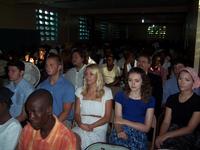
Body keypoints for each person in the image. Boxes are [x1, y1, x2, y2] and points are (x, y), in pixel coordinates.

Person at [109, 67, 155, 150]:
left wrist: (124, 121)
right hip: (120, 129)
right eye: (130, 80)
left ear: (143, 82)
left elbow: (146, 128)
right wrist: (119, 131)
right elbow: (117, 120)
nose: (133, 84)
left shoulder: (150, 100)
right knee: (119, 145)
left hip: (139, 134)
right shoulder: (120, 96)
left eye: (137, 81)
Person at [155, 67, 200, 149]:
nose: (182, 82)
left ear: (194, 83)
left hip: (188, 136)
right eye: (180, 78)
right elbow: (166, 122)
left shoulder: (198, 101)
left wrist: (166, 135)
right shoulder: (172, 99)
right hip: (171, 131)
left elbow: (190, 128)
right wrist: (160, 137)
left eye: (187, 80)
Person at [72, 64, 113, 149]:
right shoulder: (80, 91)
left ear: (97, 75)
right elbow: (76, 113)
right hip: (82, 124)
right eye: (86, 74)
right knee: (72, 138)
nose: (88, 77)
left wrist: (91, 126)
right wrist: (80, 124)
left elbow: (107, 117)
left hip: (98, 126)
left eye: (91, 74)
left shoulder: (107, 92)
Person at [37, 54, 75, 126]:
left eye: (51, 65)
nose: (48, 67)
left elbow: (65, 112)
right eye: (46, 65)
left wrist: (52, 125)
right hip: (46, 120)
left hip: (63, 121)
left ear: (59, 67)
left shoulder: (67, 86)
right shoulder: (41, 86)